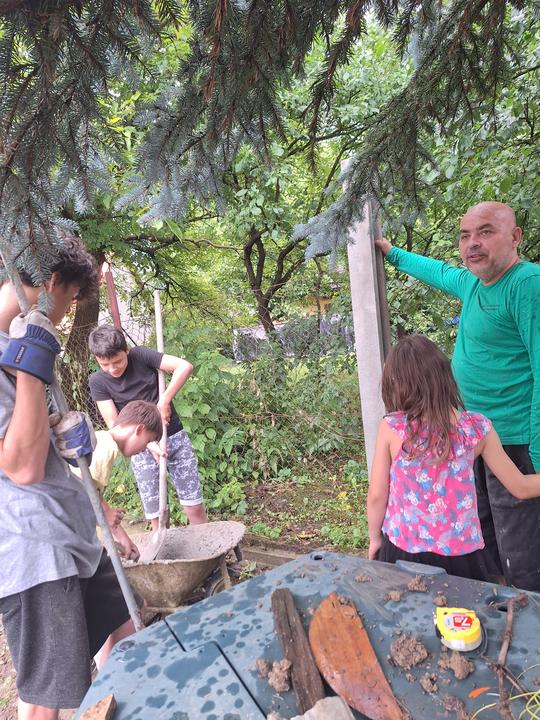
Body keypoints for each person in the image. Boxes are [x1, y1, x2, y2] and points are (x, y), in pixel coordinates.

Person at [0, 237, 140, 720]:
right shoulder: (26, 343)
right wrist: (32, 366)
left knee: (127, 629)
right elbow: (21, 467)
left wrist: (57, 429)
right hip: (32, 548)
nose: (66, 314)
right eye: (72, 299)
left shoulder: (19, 339)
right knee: (52, 697)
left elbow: (32, 441)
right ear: (52, 283)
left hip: (69, 533)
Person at [375, 201, 540, 590]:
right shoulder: (474, 283)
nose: (472, 243)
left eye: (485, 232)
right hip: (469, 435)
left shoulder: (526, 285)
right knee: (483, 535)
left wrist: (537, 451)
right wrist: (393, 253)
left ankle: (526, 614)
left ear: (515, 237)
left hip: (513, 440)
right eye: (465, 236)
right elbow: (439, 272)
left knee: (519, 550)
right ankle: (490, 604)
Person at [367, 334, 540, 581]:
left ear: (397, 384)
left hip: (402, 549)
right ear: (445, 377)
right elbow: (521, 487)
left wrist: (375, 538)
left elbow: (377, 495)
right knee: (462, 607)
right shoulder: (477, 429)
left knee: (406, 605)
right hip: (462, 556)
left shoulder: (392, 428)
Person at [88, 324, 208, 530]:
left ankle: (206, 545)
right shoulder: (98, 381)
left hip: (174, 437)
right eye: (104, 364)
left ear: (126, 351)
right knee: (157, 514)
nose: (112, 369)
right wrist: (149, 445)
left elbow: (184, 366)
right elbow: (114, 424)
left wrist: (164, 401)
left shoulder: (140, 356)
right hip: (140, 448)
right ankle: (163, 548)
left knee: (194, 506)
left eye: (117, 361)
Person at [68, 400, 164, 562]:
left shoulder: (103, 440)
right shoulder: (107, 446)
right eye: (148, 441)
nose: (144, 449)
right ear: (139, 429)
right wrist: (103, 517)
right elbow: (79, 481)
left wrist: (123, 538)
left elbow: (95, 495)